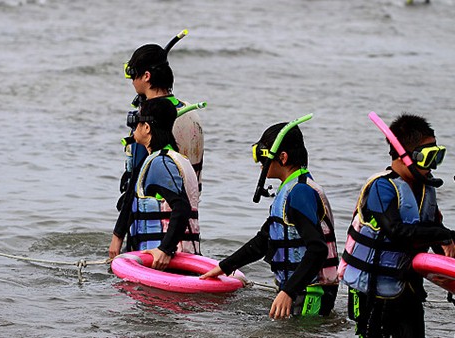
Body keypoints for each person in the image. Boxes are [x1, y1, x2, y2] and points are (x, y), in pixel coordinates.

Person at [200, 121, 339, 319]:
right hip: (299, 289)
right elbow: (263, 240)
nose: (259, 164)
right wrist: (224, 267)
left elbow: (317, 249)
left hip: (310, 294)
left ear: (282, 157)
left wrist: (288, 292)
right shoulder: (290, 189)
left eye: (262, 157)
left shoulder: (300, 192)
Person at [338, 114, 455, 338]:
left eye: (438, 156)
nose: (433, 166)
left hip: (408, 289)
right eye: (430, 157)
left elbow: (438, 239)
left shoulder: (425, 191)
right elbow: (397, 231)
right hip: (372, 293)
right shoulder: (382, 188)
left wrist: (448, 245)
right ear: (406, 157)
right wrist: (443, 236)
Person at [109, 42, 204, 259]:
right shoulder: (189, 114)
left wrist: (118, 234)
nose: (131, 82)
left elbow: (136, 181)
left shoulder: (149, 123)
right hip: (186, 227)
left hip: (151, 234)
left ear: (147, 76)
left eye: (132, 75)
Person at [109, 97, 200, 270]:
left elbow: (181, 207)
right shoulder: (178, 158)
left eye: (137, 122)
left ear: (147, 127)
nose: (134, 127)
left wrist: (164, 250)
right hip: (182, 258)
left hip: (164, 265)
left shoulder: (160, 163)